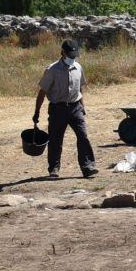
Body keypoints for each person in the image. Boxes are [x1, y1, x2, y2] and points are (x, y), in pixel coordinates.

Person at [33, 40, 98, 178]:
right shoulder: (52, 70)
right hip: (58, 109)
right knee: (55, 139)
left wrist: (82, 106)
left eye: (74, 54)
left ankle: (88, 167)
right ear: (62, 53)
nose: (72, 57)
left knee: (83, 136)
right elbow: (42, 92)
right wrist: (37, 112)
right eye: (70, 54)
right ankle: (54, 169)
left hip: (75, 108)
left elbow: (79, 88)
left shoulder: (78, 68)